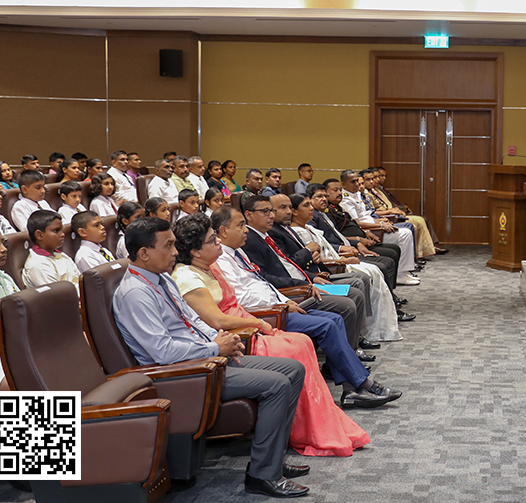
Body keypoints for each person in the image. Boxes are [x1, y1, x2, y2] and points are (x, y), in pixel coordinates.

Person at [112, 217, 310, 498]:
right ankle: (263, 475)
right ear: (144, 253)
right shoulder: (135, 293)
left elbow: (192, 320)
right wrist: (214, 348)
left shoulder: (163, 278)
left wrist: (221, 339)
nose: (175, 252)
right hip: (185, 373)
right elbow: (163, 351)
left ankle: (272, 458)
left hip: (205, 359)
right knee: (276, 385)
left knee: (293, 369)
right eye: (168, 246)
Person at [170, 214, 376, 455]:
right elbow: (217, 321)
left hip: (249, 324)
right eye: (212, 240)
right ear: (195, 251)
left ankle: (317, 423)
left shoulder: (211, 266)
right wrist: (259, 323)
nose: (218, 243)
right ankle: (306, 430)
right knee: (296, 347)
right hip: (239, 337)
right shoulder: (188, 277)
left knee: (303, 341)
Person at [212, 207, 400, 407]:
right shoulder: (222, 259)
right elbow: (243, 297)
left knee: (335, 319)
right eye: (241, 225)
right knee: (327, 325)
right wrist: (282, 305)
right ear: (224, 231)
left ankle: (350, 389)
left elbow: (263, 283)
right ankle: (363, 384)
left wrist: (286, 299)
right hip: (268, 314)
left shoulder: (238, 252)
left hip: (281, 303)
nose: (246, 230)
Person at [240, 194, 366, 354]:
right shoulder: (250, 240)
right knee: (347, 303)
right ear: (249, 215)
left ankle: (352, 347)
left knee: (355, 290)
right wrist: (305, 282)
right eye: (266, 211)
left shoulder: (267, 234)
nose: (271, 215)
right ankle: (348, 353)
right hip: (294, 291)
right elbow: (265, 277)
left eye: (272, 211)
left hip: (306, 280)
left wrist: (313, 277)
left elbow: (288, 265)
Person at [289, 193, 409, 336]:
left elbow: (328, 247)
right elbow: (311, 261)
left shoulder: (310, 228)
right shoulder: (297, 232)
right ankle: (369, 327)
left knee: (376, 270)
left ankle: (380, 322)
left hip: (338, 259)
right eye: (306, 205)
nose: (311, 208)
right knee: (369, 274)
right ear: (294, 211)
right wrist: (343, 260)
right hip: (331, 267)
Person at [305, 183, 401, 298]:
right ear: (309, 199)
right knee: (383, 265)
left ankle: (391, 298)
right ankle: (389, 300)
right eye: (319, 196)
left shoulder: (323, 213)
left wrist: (357, 242)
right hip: (340, 255)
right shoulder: (311, 218)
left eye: (325, 196)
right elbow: (322, 244)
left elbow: (338, 235)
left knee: (388, 259)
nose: (324, 199)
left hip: (350, 247)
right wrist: (343, 247)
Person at [340, 170, 419, 285]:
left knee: (406, 231)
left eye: (357, 181)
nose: (357, 184)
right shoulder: (346, 199)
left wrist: (379, 221)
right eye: (353, 182)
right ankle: (400, 274)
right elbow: (357, 223)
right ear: (344, 184)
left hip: (374, 226)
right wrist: (380, 225)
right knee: (405, 234)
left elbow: (366, 216)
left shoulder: (356, 194)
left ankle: (404, 271)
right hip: (370, 232)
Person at [360, 168, 435, 258]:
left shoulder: (375, 191)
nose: (373, 181)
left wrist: (393, 211)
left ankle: (420, 253)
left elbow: (378, 209)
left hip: (382, 219)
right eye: (368, 180)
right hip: (377, 223)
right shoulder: (364, 195)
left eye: (373, 178)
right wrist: (382, 220)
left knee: (419, 221)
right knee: (412, 226)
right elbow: (367, 215)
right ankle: (415, 256)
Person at [22, 210, 80, 293]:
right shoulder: (38, 265)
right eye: (56, 231)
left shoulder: (62, 255)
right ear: (39, 235)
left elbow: (79, 281)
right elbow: (59, 295)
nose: (62, 234)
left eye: (62, 230)